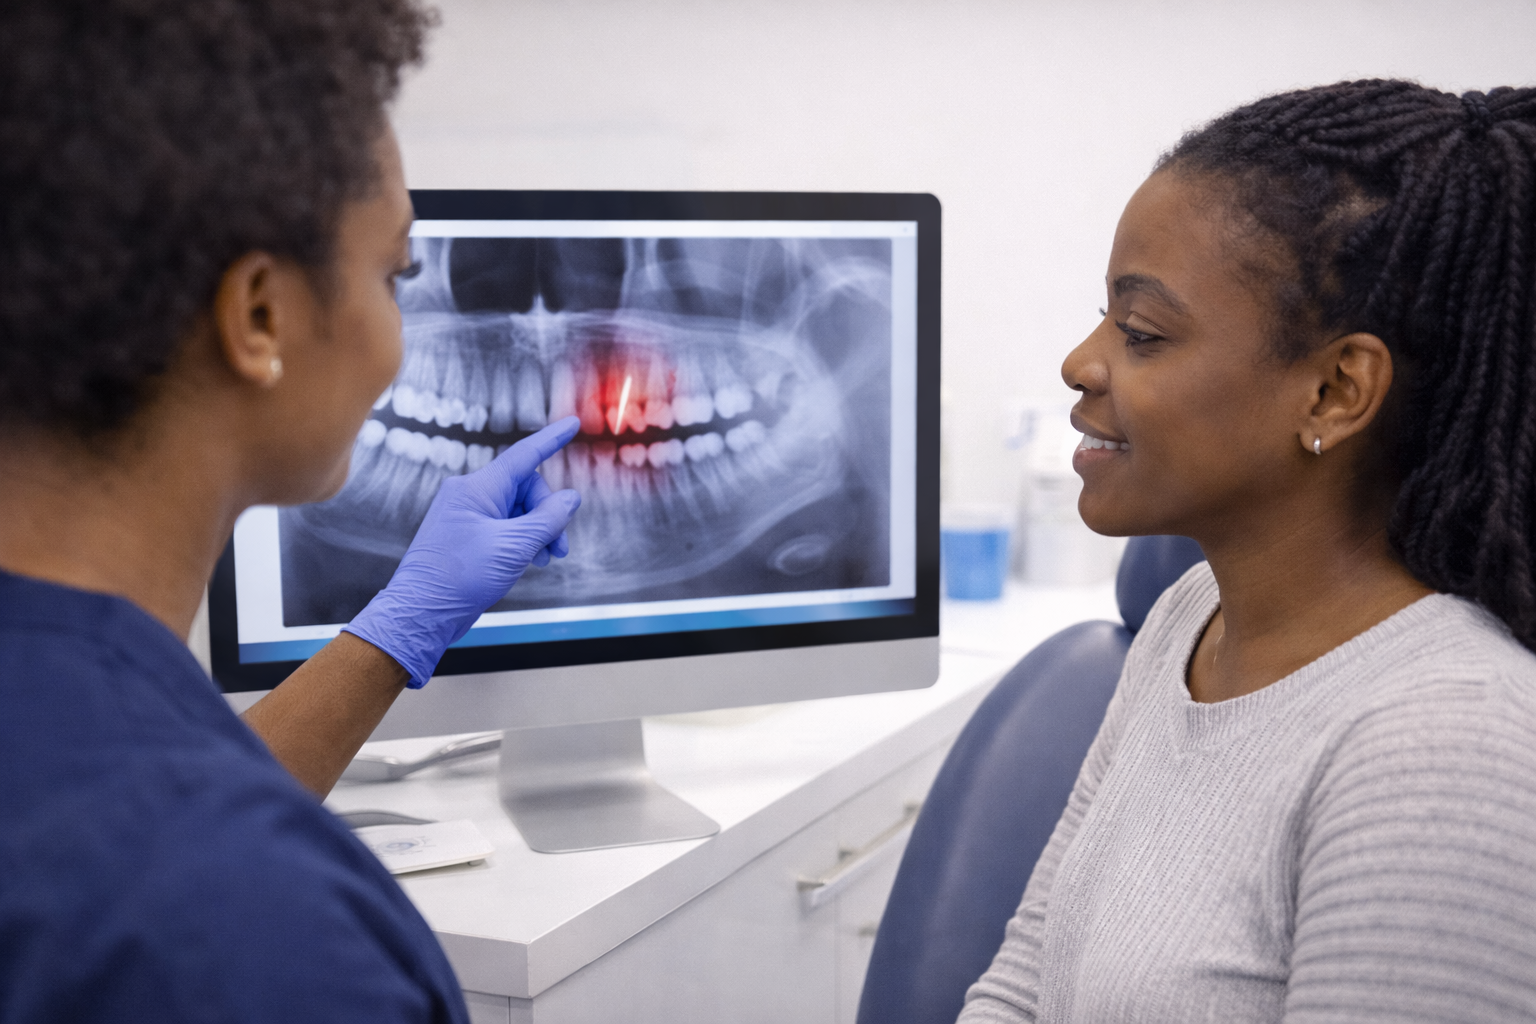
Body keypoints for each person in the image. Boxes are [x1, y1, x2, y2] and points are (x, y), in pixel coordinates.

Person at [0, 1, 583, 1020]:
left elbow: (128, 799)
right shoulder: (268, 936)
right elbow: (187, 863)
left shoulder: (87, 756)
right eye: (395, 272)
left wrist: (395, 632)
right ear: (260, 314)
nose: (396, 331)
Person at [961, 81, 1536, 1022]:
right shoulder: (1191, 619)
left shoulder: (1450, 753)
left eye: (1141, 333)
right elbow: (1028, 983)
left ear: (1336, 391)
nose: (1080, 363)